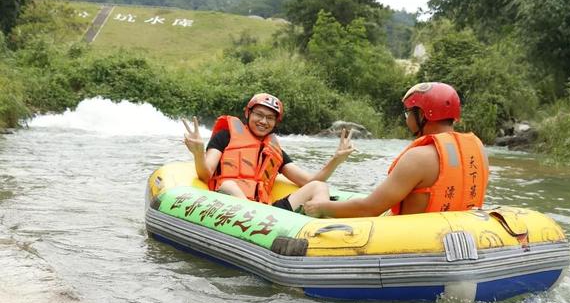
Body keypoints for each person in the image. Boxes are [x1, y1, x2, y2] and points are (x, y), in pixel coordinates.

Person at [303, 82, 489, 218]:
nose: (407, 119)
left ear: (422, 115)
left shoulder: (418, 158)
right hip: (461, 232)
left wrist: (321, 208)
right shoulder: (478, 148)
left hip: (413, 241)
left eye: (408, 113)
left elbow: (370, 208)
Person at [182, 93, 355, 212]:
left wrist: (336, 160)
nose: (264, 121)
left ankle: (319, 226)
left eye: (270, 118)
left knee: (319, 186)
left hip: (268, 215)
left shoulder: (275, 151)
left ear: (275, 122)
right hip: (228, 207)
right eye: (259, 115)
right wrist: (198, 153)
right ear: (248, 113)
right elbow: (206, 174)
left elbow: (309, 181)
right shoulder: (225, 136)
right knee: (229, 185)